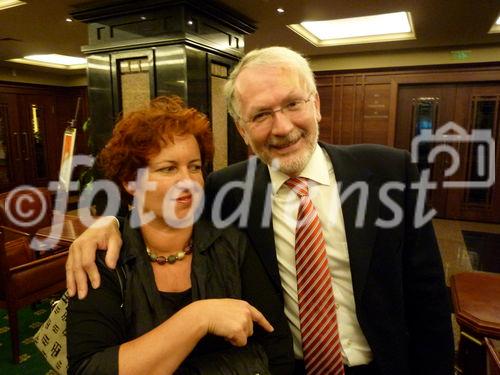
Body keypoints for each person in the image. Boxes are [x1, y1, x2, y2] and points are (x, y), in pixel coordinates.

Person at [66, 47, 454, 375]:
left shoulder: (390, 172)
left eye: (292, 104)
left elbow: (429, 299)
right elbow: (162, 206)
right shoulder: (227, 191)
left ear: (315, 104)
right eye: (261, 114)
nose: (281, 127)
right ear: (242, 129)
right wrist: (107, 223)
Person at [66, 96, 294, 375]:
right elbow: (89, 368)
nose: (188, 181)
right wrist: (197, 318)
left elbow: (275, 345)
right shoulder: (105, 258)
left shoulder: (232, 243)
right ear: (129, 182)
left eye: (195, 167)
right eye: (168, 168)